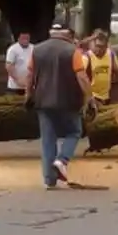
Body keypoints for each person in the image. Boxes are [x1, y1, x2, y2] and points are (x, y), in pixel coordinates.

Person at [25, 23, 91, 189]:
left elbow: (29, 75)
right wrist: (89, 98)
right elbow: (81, 77)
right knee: (74, 131)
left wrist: (28, 95)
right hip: (68, 101)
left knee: (48, 140)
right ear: (67, 34)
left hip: (43, 101)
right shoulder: (72, 51)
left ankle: (49, 180)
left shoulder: (37, 50)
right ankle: (62, 160)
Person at [86, 31, 118, 105]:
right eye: (97, 46)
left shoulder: (111, 55)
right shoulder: (87, 57)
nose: (98, 49)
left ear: (106, 46)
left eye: (101, 47)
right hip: (93, 96)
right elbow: (80, 76)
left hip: (106, 95)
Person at [4, 31, 33, 99]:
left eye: (27, 38)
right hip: (15, 86)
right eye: (23, 38)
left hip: (29, 85)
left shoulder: (34, 48)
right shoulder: (13, 49)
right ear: (18, 39)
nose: (25, 40)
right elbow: (9, 66)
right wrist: (18, 80)